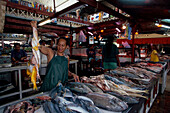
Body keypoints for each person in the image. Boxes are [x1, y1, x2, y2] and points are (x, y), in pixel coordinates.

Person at [30, 21, 79, 92]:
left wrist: (72, 74)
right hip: (49, 87)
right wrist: (34, 29)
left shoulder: (66, 58)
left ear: (66, 47)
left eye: (63, 45)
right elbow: (38, 46)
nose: (60, 47)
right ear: (56, 45)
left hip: (61, 88)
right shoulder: (51, 53)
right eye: (59, 45)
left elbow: (66, 71)